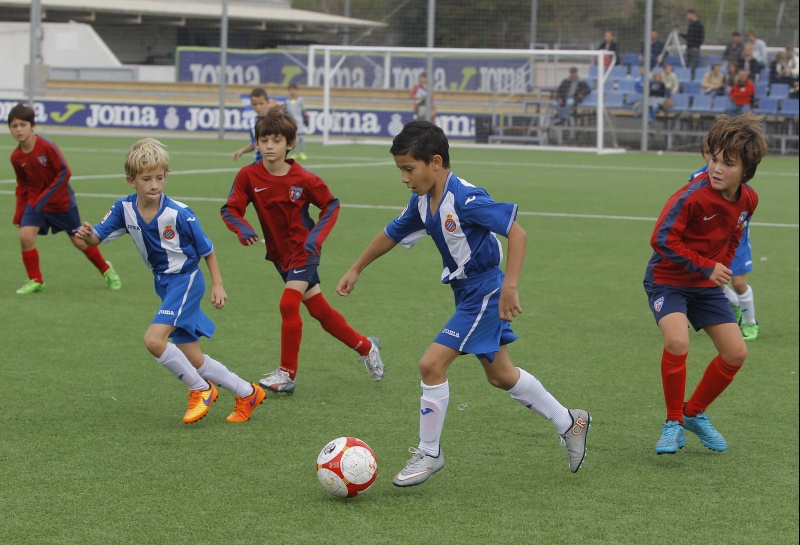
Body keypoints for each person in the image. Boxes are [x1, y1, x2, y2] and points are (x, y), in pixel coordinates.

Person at [336, 120, 591, 487]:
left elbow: (517, 233)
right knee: (501, 375)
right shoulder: (422, 202)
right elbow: (391, 234)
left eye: (409, 169)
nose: (404, 178)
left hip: (486, 290)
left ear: (435, 162)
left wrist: (510, 287)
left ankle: (429, 451)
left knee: (430, 365)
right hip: (467, 291)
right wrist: (356, 268)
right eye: (401, 170)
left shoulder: (466, 198)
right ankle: (570, 422)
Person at [75, 138, 266, 424]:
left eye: (160, 178)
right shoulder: (123, 209)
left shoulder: (179, 214)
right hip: (163, 284)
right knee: (194, 359)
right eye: (147, 179)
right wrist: (85, 234)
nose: (154, 185)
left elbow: (207, 250)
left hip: (186, 280)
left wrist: (217, 284)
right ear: (131, 181)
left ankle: (201, 390)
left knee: (154, 340)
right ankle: (248, 392)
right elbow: (96, 239)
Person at [220, 105, 384, 395]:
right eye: (264, 140)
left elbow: (331, 205)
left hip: (304, 251)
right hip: (280, 255)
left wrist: (316, 237)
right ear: (256, 143)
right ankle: (366, 346)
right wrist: (242, 228)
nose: (270, 146)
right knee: (320, 311)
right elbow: (230, 209)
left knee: (287, 304)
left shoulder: (305, 179)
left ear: (289, 144)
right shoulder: (248, 175)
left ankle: (287, 374)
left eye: (277, 140)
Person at [644, 111, 767, 455]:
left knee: (736, 352)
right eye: (713, 158)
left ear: (746, 171)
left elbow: (735, 233)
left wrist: (722, 266)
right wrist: (706, 266)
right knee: (678, 341)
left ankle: (694, 412)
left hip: (705, 285)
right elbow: (661, 239)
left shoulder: (748, 200)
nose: (716, 168)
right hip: (668, 280)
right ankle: (673, 422)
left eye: (727, 163)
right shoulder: (692, 196)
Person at [7, 102, 122, 295]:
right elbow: (22, 185)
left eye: (23, 125)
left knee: (80, 242)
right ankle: (36, 281)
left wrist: (44, 198)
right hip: (36, 204)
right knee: (25, 237)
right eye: (14, 126)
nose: (18, 130)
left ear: (32, 126)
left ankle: (107, 270)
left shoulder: (47, 146)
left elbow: (64, 173)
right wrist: (19, 214)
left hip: (62, 204)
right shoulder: (16, 157)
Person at [690, 139, 760, 341]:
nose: (713, 161)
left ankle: (750, 322)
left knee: (738, 283)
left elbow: (744, 211)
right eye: (708, 154)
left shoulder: (735, 180)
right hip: (712, 243)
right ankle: (735, 305)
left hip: (736, 241)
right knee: (717, 283)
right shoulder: (697, 178)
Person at [232, 87, 271, 163]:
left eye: (261, 103)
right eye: (255, 104)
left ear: (267, 102)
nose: (258, 107)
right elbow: (254, 144)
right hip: (259, 160)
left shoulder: (277, 120)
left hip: (274, 161)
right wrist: (242, 151)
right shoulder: (252, 122)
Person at [285, 83, 309, 161]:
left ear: (296, 90)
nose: (292, 92)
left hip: (299, 120)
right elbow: (284, 111)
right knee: (292, 138)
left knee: (301, 137)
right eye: (291, 90)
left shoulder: (300, 100)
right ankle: (293, 153)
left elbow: (304, 109)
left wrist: (306, 117)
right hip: (291, 121)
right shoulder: (287, 101)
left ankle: (302, 153)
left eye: (294, 89)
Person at [680, 10, 705, 78]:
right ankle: (685, 78)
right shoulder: (690, 25)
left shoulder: (699, 26)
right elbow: (688, 37)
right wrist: (680, 34)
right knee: (685, 64)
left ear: (693, 15)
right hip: (688, 48)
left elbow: (701, 37)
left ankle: (692, 79)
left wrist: (696, 46)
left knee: (694, 66)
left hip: (694, 49)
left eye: (688, 15)